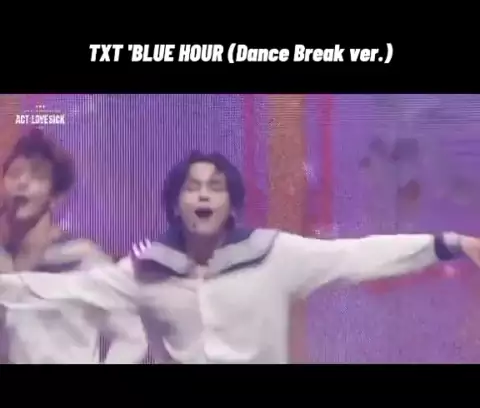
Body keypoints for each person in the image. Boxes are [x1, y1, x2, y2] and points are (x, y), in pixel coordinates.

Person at [1, 149, 480, 364]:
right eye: (192, 187)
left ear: (231, 204)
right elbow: (50, 289)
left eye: (215, 187)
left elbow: (356, 256)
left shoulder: (274, 255)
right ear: (176, 205)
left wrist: (451, 243)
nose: (203, 195)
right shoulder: (147, 270)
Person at [0, 128, 147, 364]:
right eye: (14, 173)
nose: (22, 182)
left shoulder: (83, 260)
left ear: (55, 196)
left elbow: (133, 335)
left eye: (37, 175)